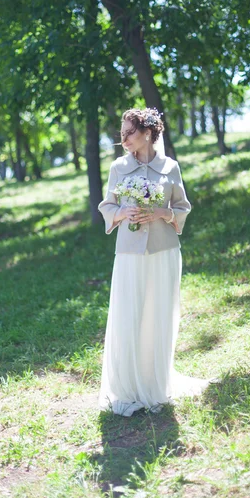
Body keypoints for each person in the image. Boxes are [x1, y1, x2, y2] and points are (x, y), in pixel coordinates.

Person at [98, 108, 210, 417]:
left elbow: (182, 207)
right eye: (121, 132)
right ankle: (129, 388)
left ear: (148, 133)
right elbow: (107, 205)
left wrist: (163, 214)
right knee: (130, 316)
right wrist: (123, 213)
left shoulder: (170, 167)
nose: (123, 138)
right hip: (130, 254)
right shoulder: (118, 168)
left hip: (165, 252)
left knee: (158, 316)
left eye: (129, 132)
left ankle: (156, 385)